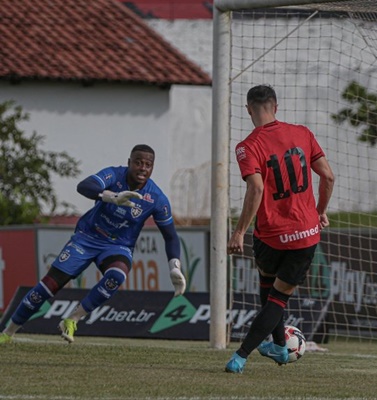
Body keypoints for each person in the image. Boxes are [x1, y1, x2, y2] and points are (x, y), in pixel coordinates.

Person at [0, 144, 186, 344]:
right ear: (129, 163)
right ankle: (7, 333)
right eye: (138, 162)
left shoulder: (156, 198)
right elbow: (84, 186)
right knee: (48, 286)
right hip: (87, 238)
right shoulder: (114, 175)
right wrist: (112, 197)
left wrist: (174, 266)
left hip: (118, 246)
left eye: (148, 165)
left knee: (117, 275)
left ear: (152, 168)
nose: (142, 168)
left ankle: (72, 319)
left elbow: (171, 236)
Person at [225, 85, 335, 373]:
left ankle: (261, 351)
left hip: (270, 235)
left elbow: (257, 187)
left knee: (267, 287)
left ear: (249, 109)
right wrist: (320, 211)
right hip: (305, 235)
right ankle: (257, 351)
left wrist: (238, 232)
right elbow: (328, 176)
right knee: (277, 297)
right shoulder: (302, 133)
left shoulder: (247, 146)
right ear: (276, 106)